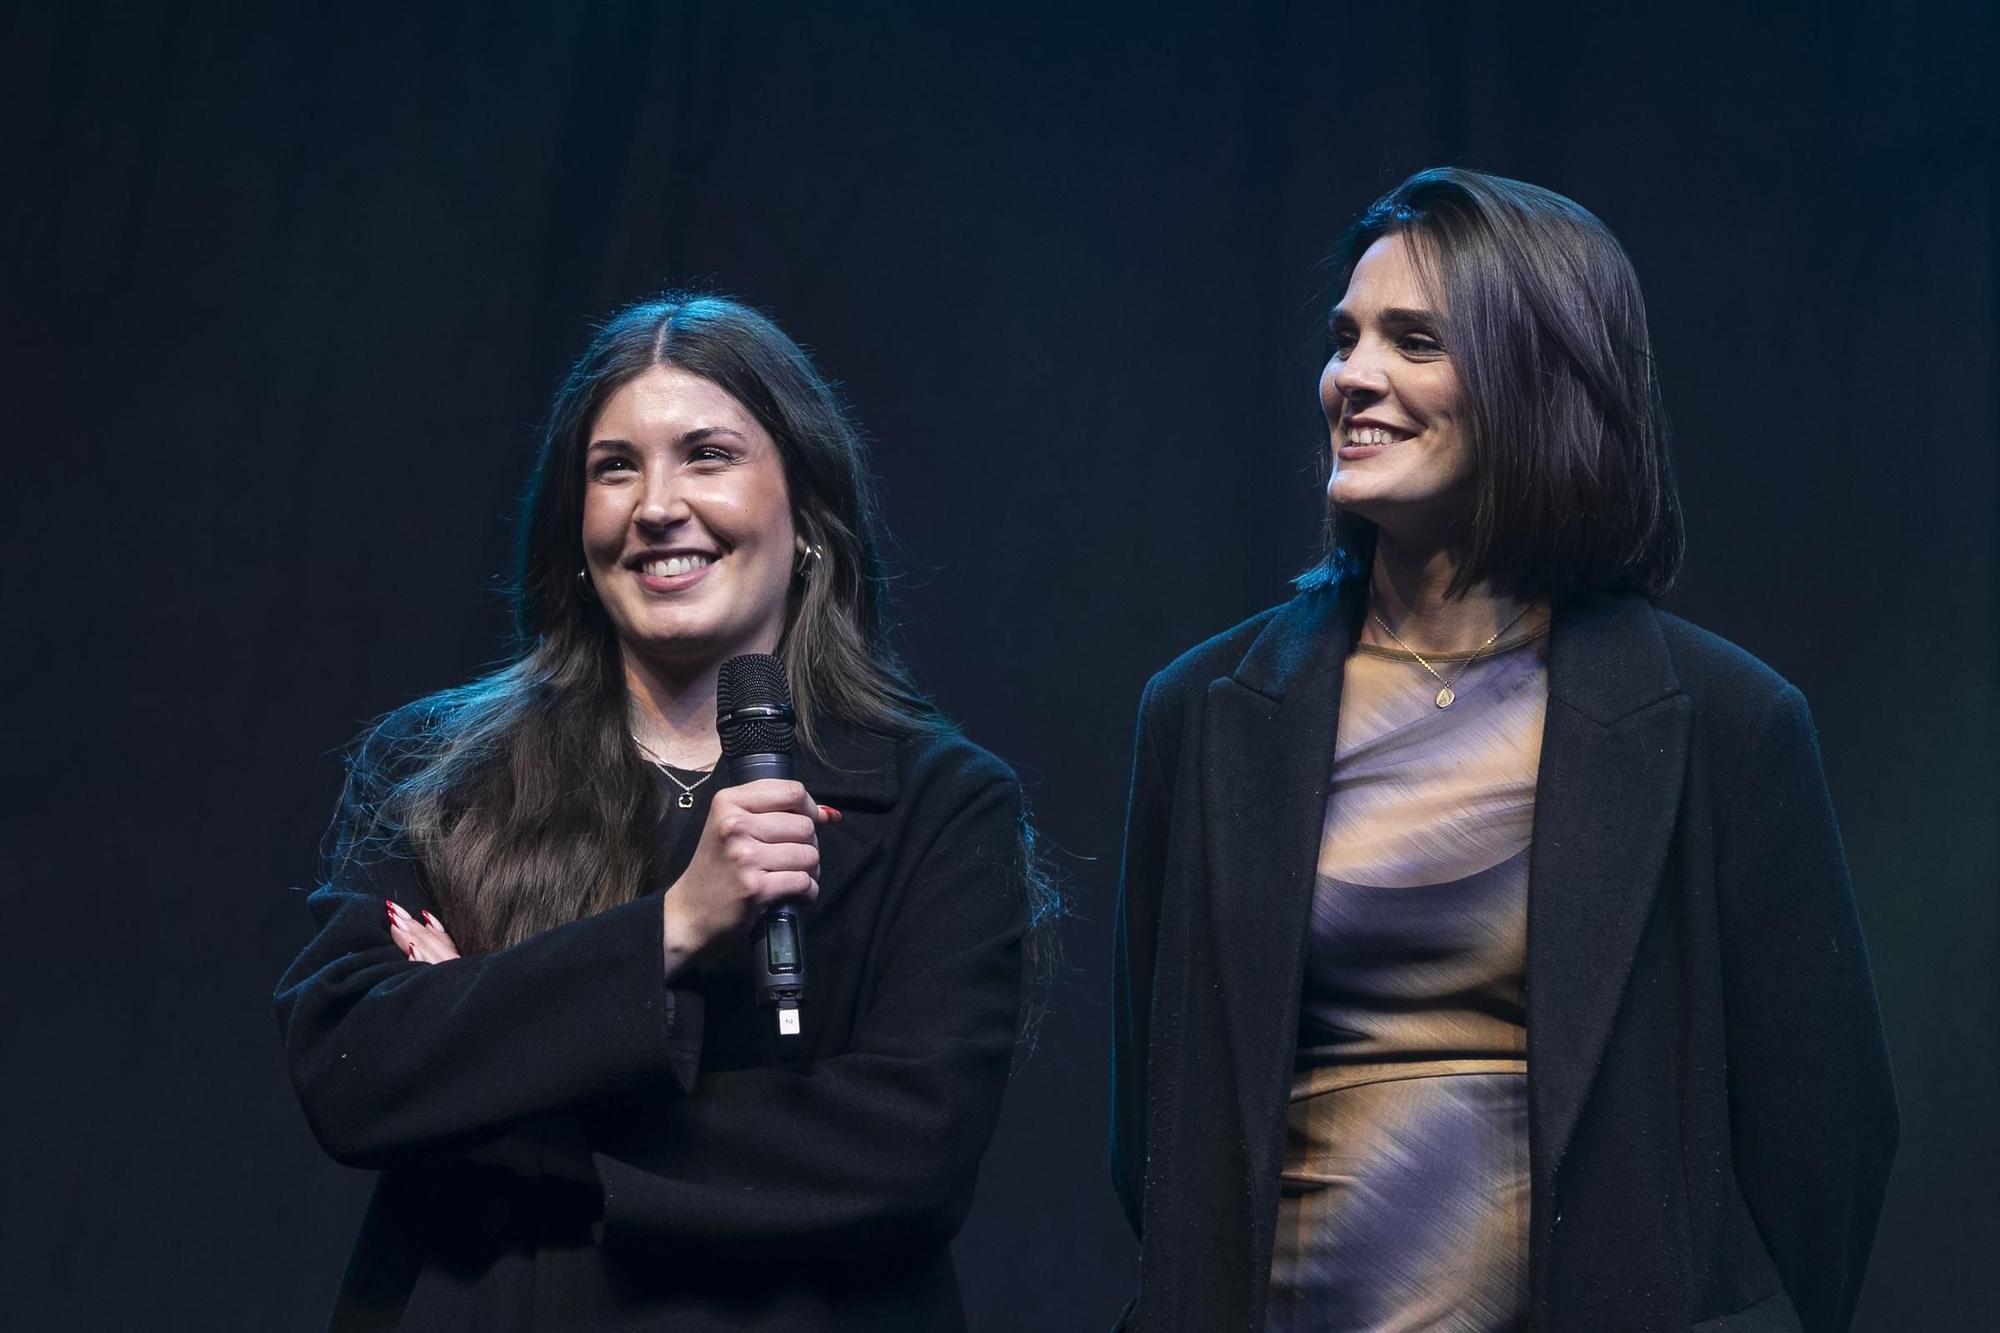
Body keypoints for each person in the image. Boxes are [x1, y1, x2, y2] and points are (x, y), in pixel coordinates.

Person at [1110, 168, 1897, 1333]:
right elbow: (1158, 1136)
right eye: (1344, 338)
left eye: (1413, 340)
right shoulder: (1204, 713)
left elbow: (1821, 1143)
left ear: (1540, 380)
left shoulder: (1725, 723)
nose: (1350, 377)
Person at [277, 294, 1046, 1331]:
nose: (655, 504)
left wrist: (493, 1087)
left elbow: (902, 1153)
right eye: (614, 467)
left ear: (806, 512)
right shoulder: (444, 770)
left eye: (707, 455)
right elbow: (352, 1065)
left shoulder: (943, 805)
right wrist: (672, 929)